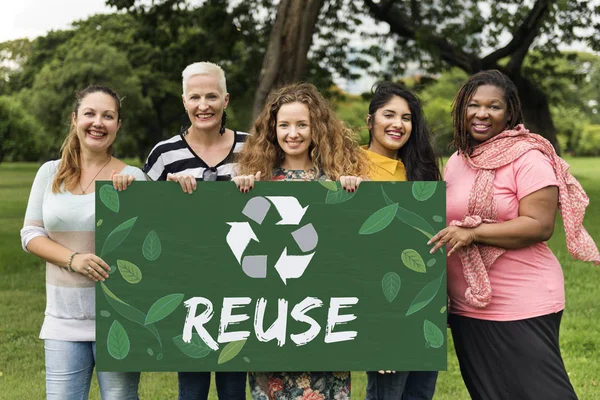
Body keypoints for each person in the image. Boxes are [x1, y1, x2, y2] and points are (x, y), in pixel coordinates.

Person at [428, 70, 600, 400]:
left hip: (521, 301)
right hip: (468, 306)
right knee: (490, 393)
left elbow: (539, 225)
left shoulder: (529, 157)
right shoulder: (458, 160)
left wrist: (475, 233)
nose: (481, 113)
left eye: (493, 106)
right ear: (461, 109)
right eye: (473, 105)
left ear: (509, 113)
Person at [233, 82, 369, 399]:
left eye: (301, 125)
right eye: (284, 125)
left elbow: (351, 247)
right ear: (272, 129)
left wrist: (353, 190)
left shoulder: (333, 185)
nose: (292, 133)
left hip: (322, 321)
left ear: (315, 129)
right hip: (271, 321)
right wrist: (237, 191)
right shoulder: (258, 183)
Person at [20, 85, 143, 399]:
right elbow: (31, 234)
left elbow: (150, 247)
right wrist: (73, 258)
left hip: (118, 321)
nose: (98, 122)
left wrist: (132, 199)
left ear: (118, 125)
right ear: (74, 119)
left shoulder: (133, 178)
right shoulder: (50, 174)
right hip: (62, 319)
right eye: (90, 114)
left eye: (108, 116)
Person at [141, 61, 248, 400]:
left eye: (212, 96)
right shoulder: (164, 154)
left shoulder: (254, 148)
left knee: (234, 387)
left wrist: (257, 183)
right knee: (192, 387)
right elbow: (144, 224)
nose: (204, 105)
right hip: (187, 289)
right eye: (195, 97)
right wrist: (163, 194)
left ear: (226, 100)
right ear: (184, 101)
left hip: (243, 285)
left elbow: (276, 202)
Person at [360, 82, 441, 400]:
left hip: (421, 303)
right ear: (370, 121)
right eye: (389, 114)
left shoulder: (419, 173)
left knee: (419, 394)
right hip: (380, 305)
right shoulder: (350, 167)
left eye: (406, 118)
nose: (397, 124)